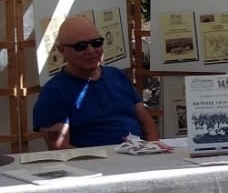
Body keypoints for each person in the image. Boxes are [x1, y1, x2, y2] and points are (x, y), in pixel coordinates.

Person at [33, 17, 159, 149]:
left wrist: (151, 152)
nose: (91, 51)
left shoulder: (117, 75)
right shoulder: (53, 93)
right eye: (80, 46)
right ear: (62, 50)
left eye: (96, 43)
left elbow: (147, 124)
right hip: (93, 165)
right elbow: (61, 149)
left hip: (139, 158)